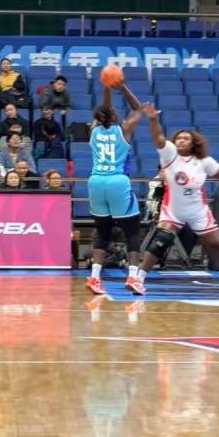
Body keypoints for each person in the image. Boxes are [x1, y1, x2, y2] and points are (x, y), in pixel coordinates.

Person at [135, 102, 219, 295]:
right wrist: (153, 119)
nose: (181, 141)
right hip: (173, 209)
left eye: (186, 138)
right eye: (178, 138)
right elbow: (158, 138)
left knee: (217, 245)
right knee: (162, 239)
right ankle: (138, 279)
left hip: (197, 210)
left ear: (194, 143)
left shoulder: (204, 162)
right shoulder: (169, 155)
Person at [84, 82, 145, 295]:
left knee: (102, 231)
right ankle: (133, 277)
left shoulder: (93, 130)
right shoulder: (123, 129)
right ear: (114, 116)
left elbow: (105, 109)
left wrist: (107, 88)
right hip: (117, 181)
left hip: (95, 181)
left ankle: (94, 278)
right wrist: (123, 87)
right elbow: (138, 109)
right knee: (132, 231)